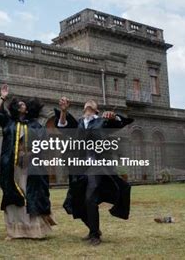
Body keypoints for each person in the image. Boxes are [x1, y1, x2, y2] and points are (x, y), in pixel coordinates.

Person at [55, 97, 133, 246]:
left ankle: (95, 235)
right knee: (74, 202)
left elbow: (119, 122)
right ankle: (93, 229)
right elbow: (63, 126)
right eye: (87, 103)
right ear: (84, 109)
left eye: (92, 103)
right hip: (81, 168)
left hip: (97, 167)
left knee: (90, 198)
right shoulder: (79, 123)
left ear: (97, 110)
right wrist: (64, 111)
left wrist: (113, 116)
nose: (89, 103)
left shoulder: (102, 122)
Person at [0, 84, 56, 240]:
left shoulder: (35, 125)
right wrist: (2, 97)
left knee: (30, 194)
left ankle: (35, 230)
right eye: (19, 104)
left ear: (26, 110)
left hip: (31, 167)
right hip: (12, 167)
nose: (21, 105)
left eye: (23, 104)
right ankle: (14, 231)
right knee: (14, 195)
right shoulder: (9, 123)